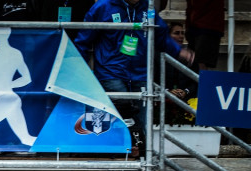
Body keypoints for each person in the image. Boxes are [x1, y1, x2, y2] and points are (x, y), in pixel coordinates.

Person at [74, 0, 194, 150]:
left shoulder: (148, 8)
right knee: (125, 112)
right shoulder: (103, 7)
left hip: (140, 74)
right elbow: (84, 40)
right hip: (111, 72)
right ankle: (123, 150)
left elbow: (161, 36)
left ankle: (137, 160)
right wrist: (80, 70)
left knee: (142, 120)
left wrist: (178, 51)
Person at [185, 0, 224, 72]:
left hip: (207, 27)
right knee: (193, 63)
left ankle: (203, 81)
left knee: (201, 63)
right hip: (196, 26)